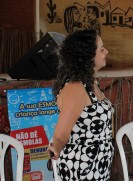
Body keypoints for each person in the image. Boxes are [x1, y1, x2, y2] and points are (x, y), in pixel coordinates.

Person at [47, 29, 114, 180]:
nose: (106, 52)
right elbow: (61, 133)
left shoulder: (90, 83)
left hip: (97, 165)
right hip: (81, 167)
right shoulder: (76, 88)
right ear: (87, 56)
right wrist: (55, 148)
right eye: (101, 49)